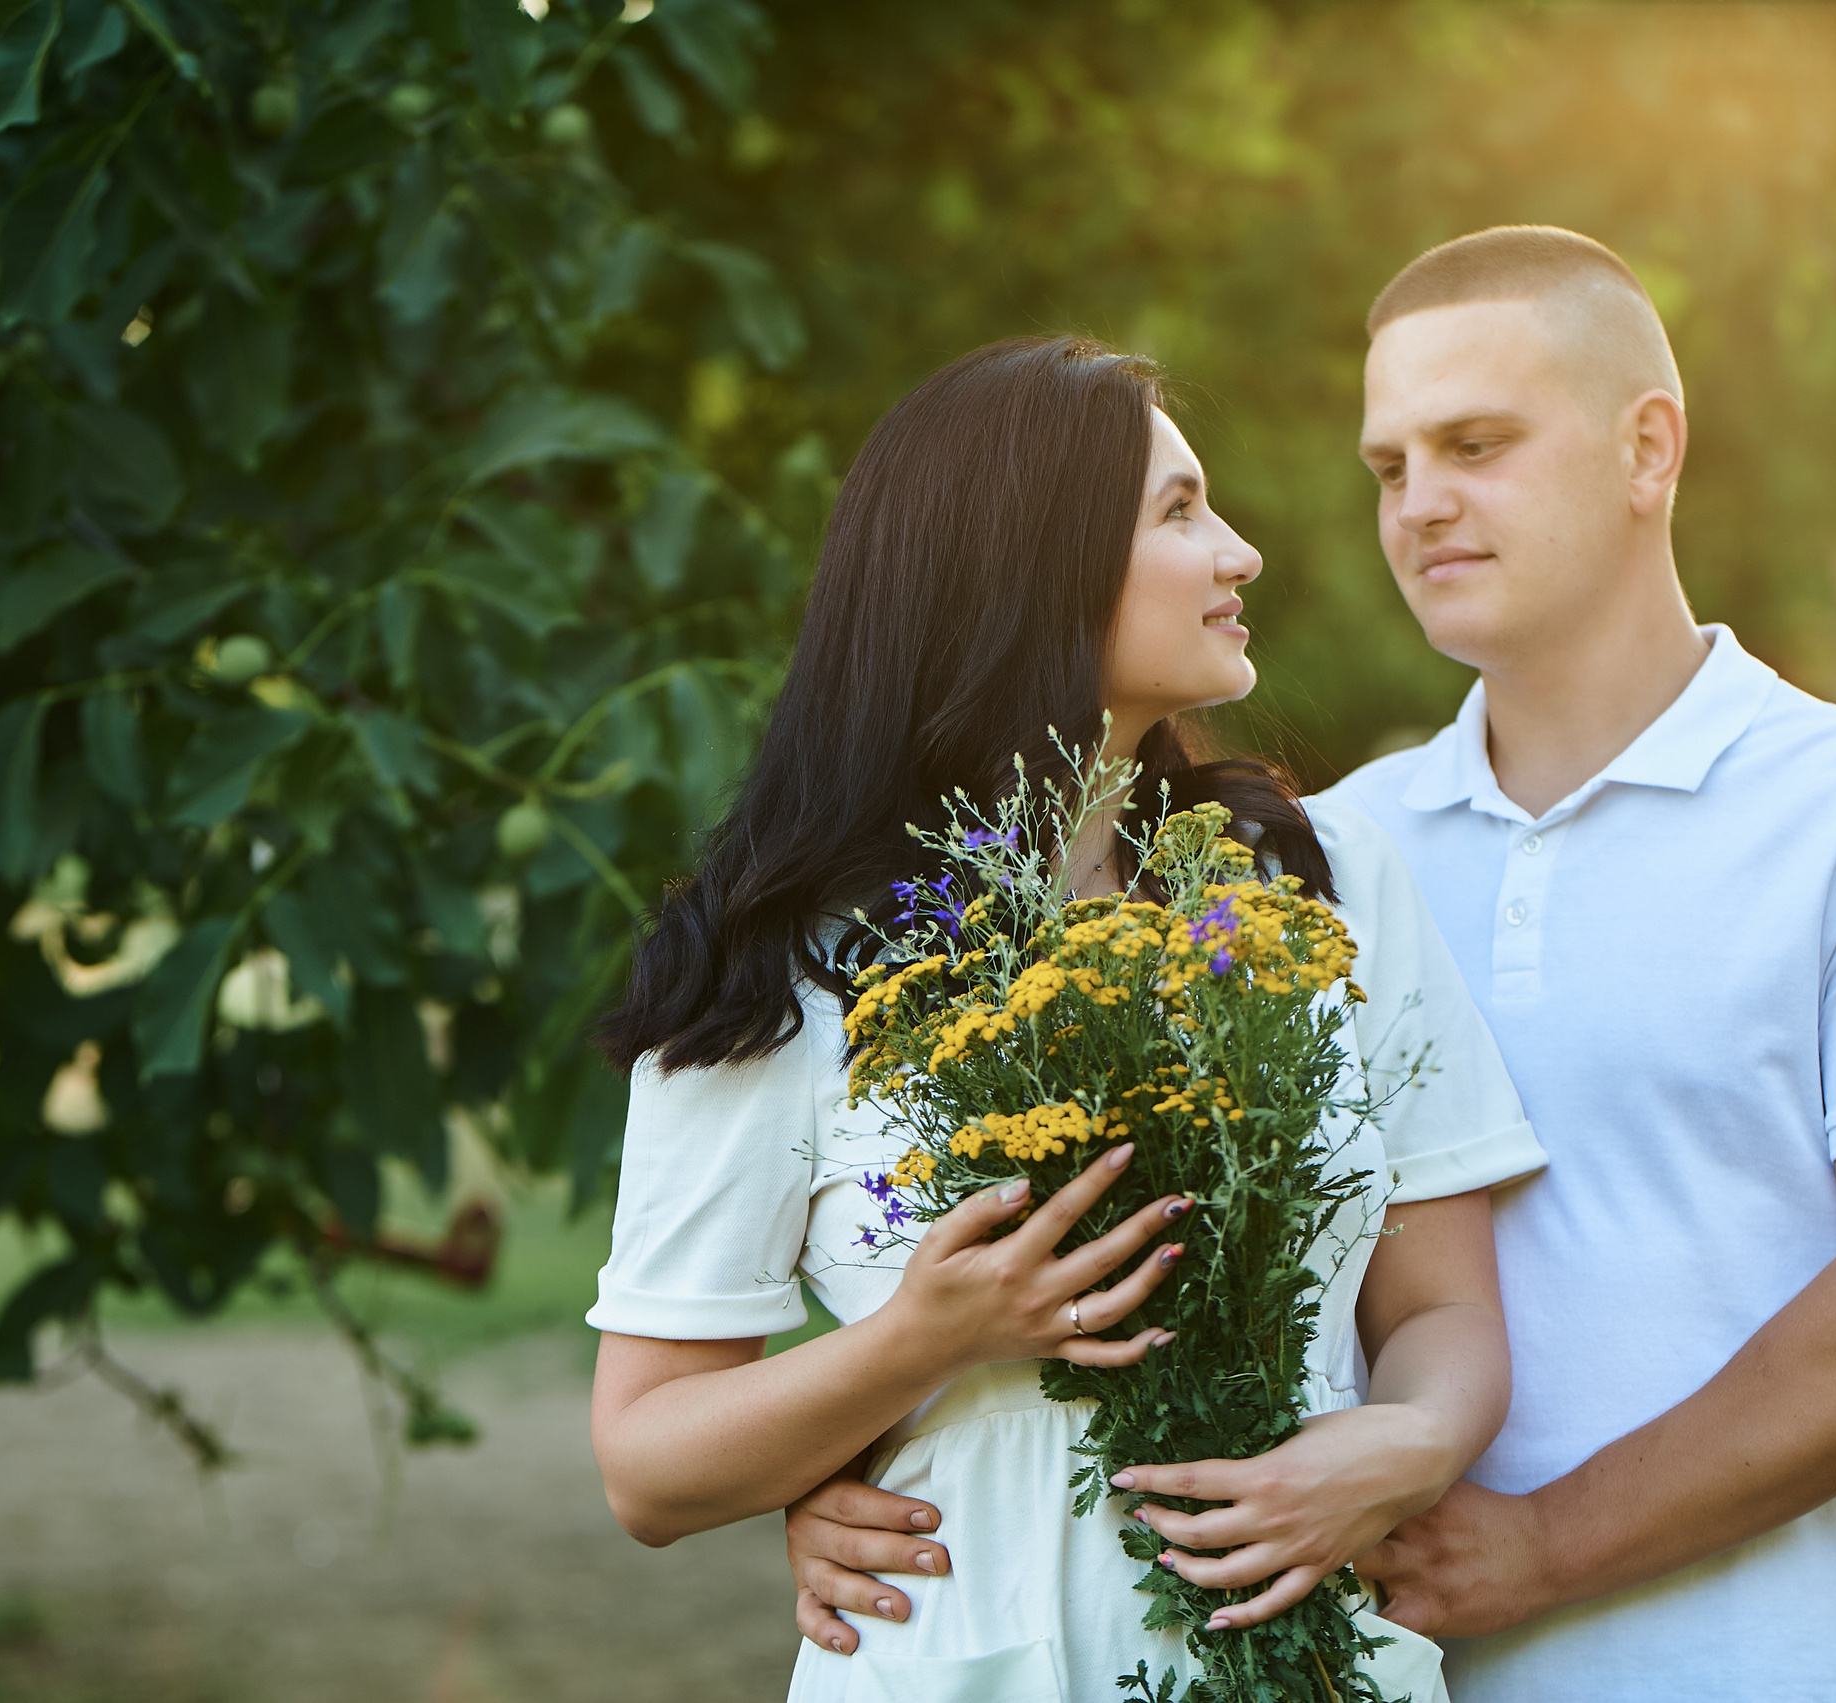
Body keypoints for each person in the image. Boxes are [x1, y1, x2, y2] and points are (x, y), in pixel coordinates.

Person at [787, 230, 1836, 1702]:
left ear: (1649, 448)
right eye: (1389, 466)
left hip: (1784, 1663)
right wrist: (870, 1487)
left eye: (1477, 445)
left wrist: (1541, 1548)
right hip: (1383, 1667)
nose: (1421, 504)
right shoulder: (1310, 866)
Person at [586, 335, 1548, 1701]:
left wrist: (1411, 1443)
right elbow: (647, 1463)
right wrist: (923, 1343)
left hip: (1309, 1662)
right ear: (1029, 570)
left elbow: (1443, 1304)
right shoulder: (784, 960)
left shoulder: (1317, 882)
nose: (1240, 552)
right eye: (1178, 512)